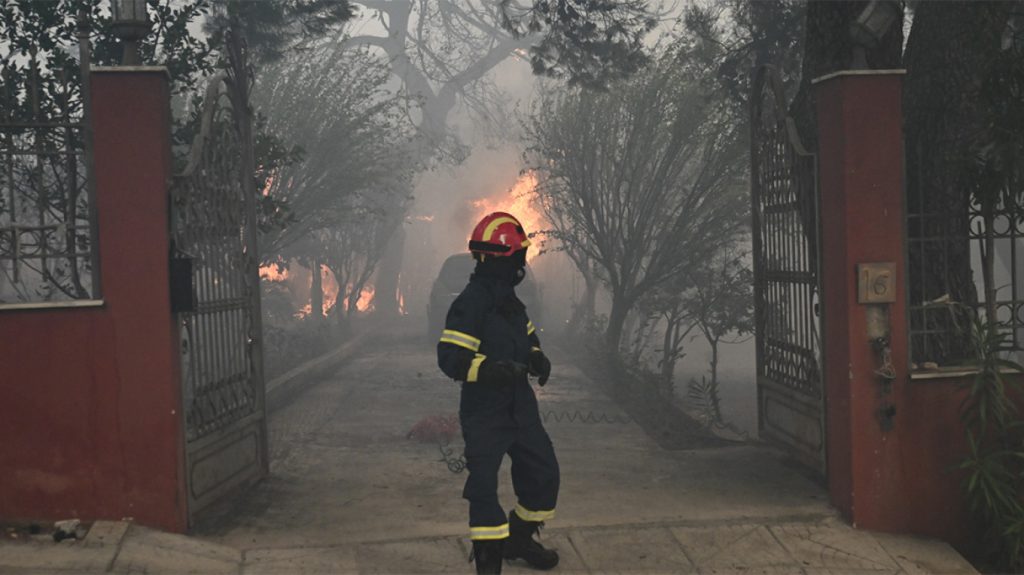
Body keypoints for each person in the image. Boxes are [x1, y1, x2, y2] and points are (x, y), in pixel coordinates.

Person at [437, 211, 560, 574]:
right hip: (485, 411)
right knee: (484, 491)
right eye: (518, 254)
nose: (522, 262)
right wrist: (489, 370)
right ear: (500, 259)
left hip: (521, 407)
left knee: (543, 475)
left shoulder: (510, 299)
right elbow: (450, 357)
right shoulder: (471, 302)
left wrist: (536, 356)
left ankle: (518, 540)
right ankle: (488, 566)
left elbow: (528, 334)